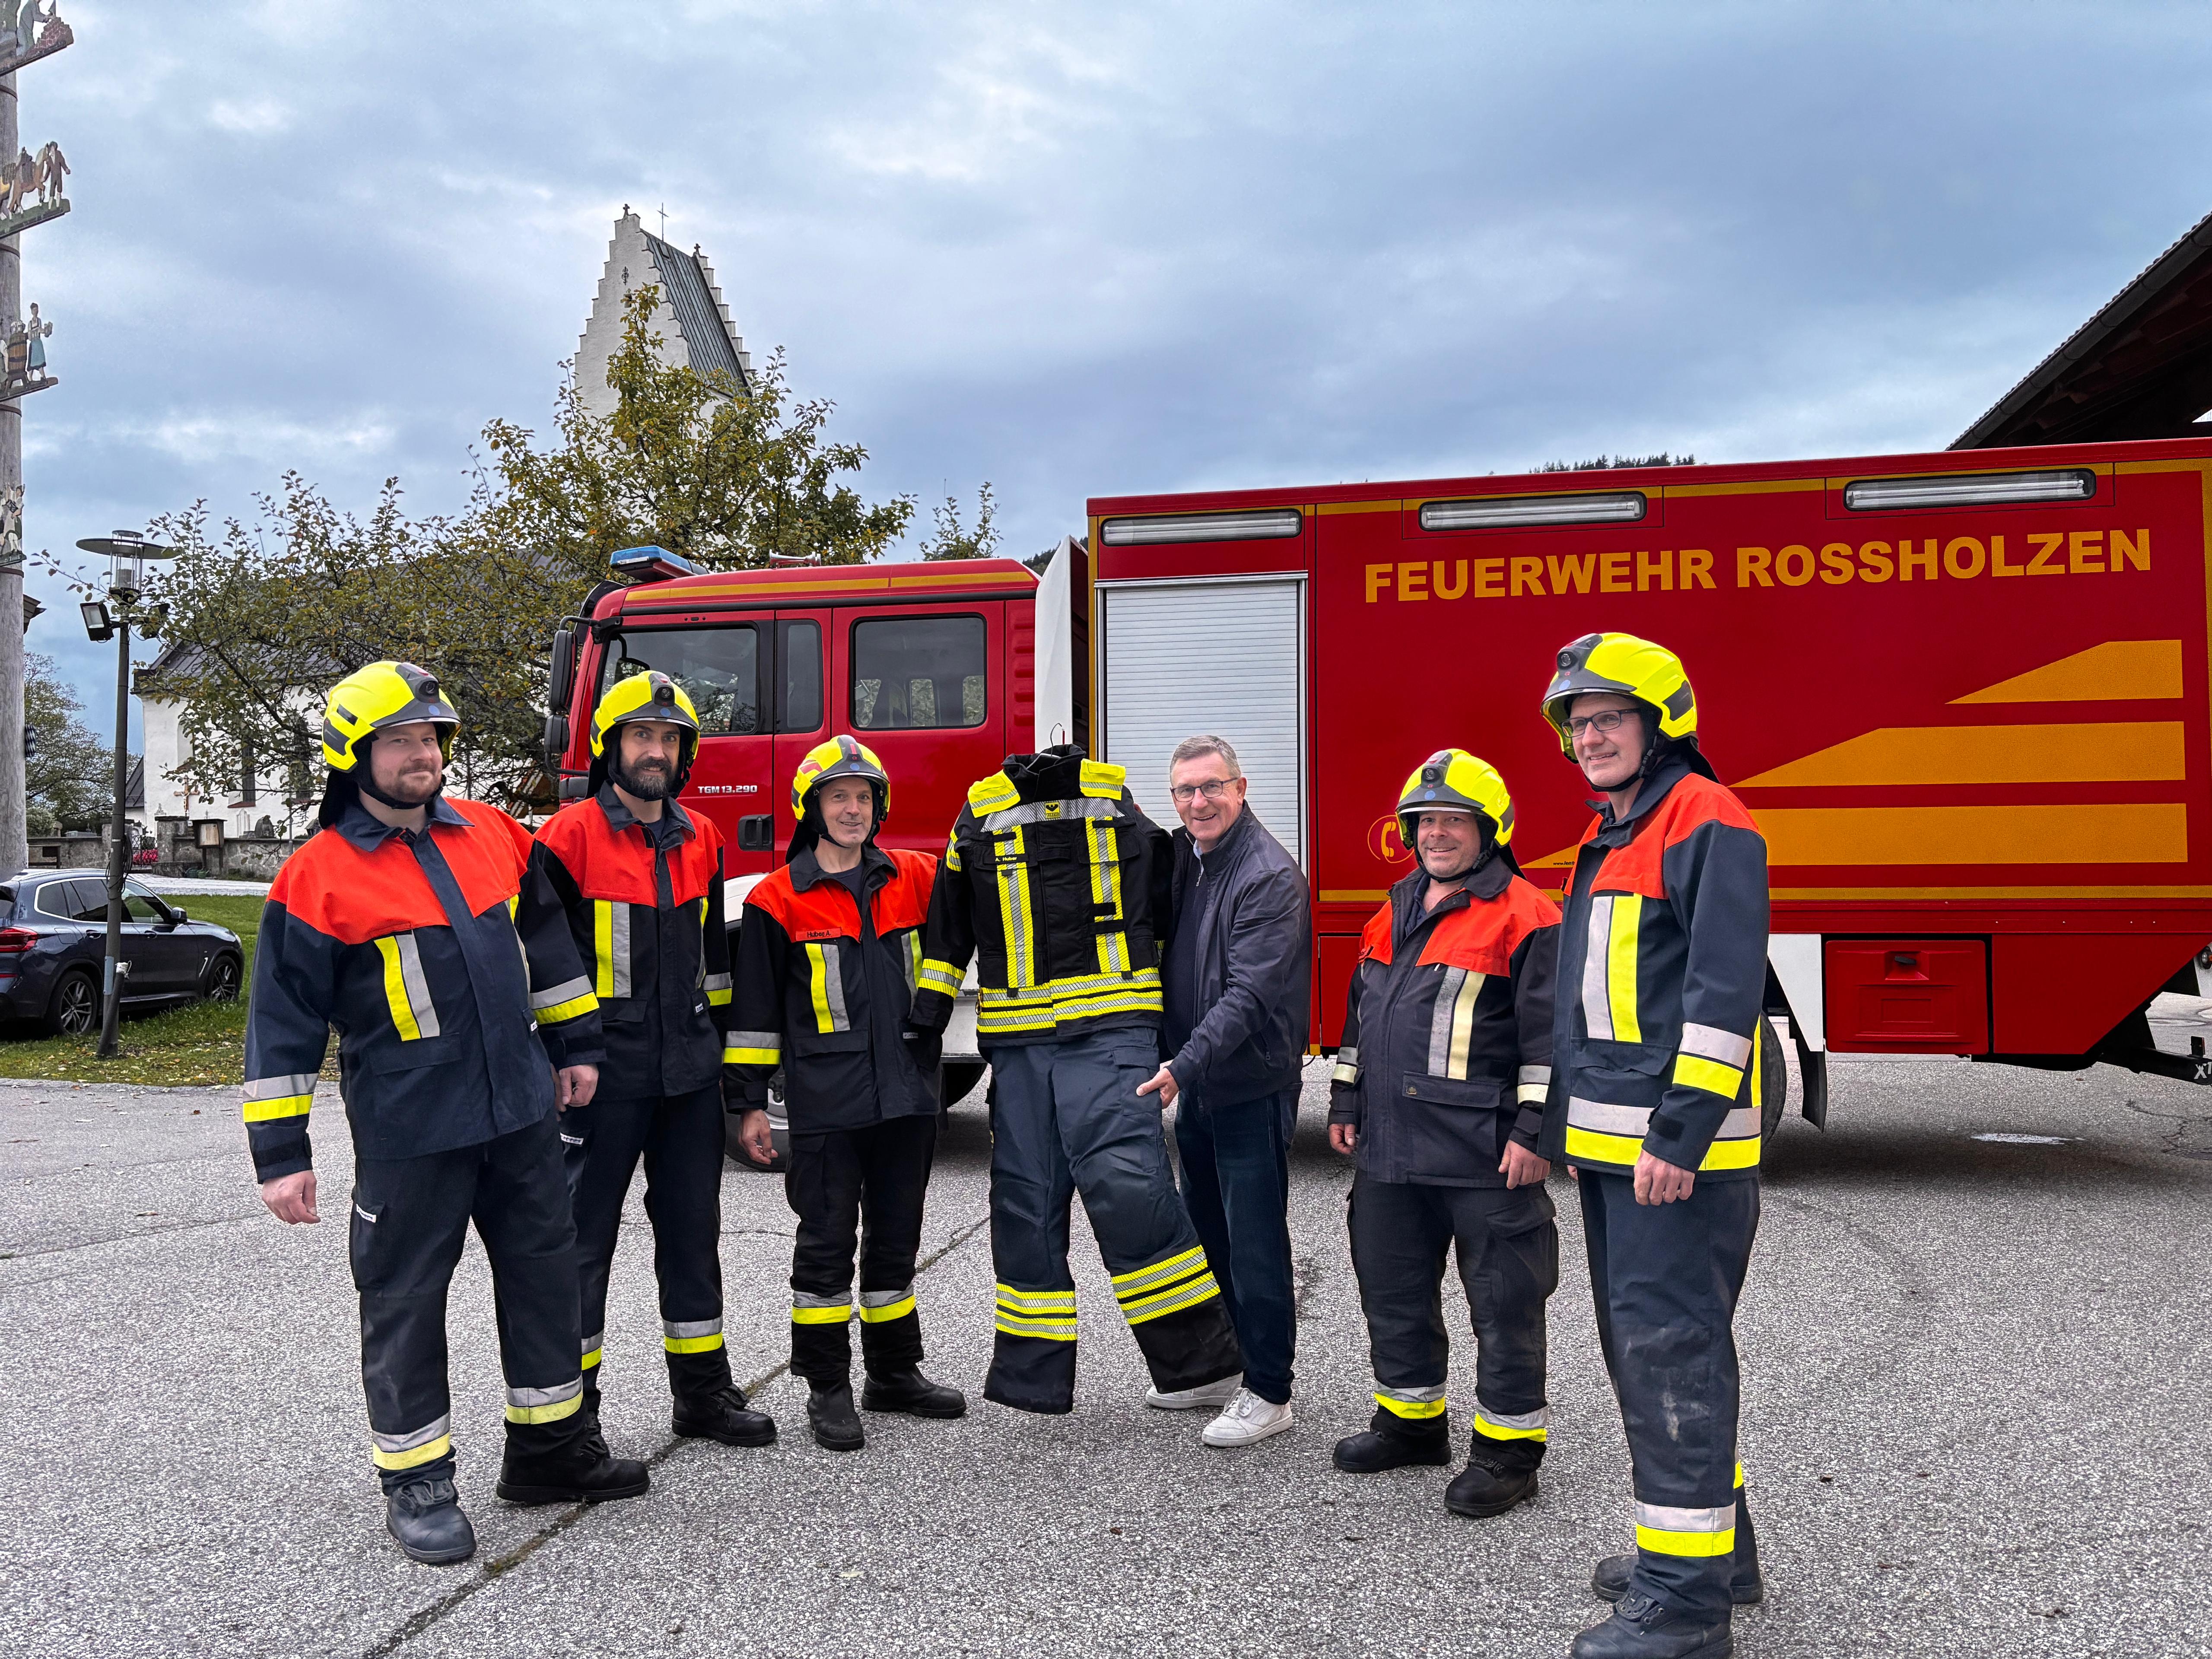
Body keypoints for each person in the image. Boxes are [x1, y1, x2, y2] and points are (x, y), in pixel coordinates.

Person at [242, 661, 645, 1568]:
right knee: (405, 1300)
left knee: (546, 1279)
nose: (421, 755)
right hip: (411, 1129)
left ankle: (548, 1452)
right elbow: (282, 1023)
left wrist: (576, 1047)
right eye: (399, 741)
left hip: (520, 1113)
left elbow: (548, 945)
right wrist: (281, 1153)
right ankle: (418, 1483)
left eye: (430, 738)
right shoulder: (316, 878)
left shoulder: (494, 833)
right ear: (353, 755)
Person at [1539, 633, 1769, 1658]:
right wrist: (1563, 1126)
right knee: (1662, 1353)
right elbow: (1593, 1007)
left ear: (1660, 722)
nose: (1589, 737)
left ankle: (1683, 1606)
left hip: (1672, 1163)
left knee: (1670, 1356)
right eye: (1577, 723)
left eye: (1608, 718)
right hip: (1618, 1156)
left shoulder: (1703, 818)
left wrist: (1678, 1136)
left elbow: (1723, 997)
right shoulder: (1621, 826)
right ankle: (1720, 1556)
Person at [909, 742, 1242, 1416]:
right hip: (1035, 1045)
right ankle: (1035, 1379)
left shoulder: (1100, 801)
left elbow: (1163, 905)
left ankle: (1202, 1366)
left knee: (1130, 1192)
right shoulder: (1007, 808)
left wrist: (929, 1021)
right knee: (1026, 1203)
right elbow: (950, 927)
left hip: (1108, 1035)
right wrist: (926, 1021)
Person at [534, 671, 775, 1454]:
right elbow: (541, 966)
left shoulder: (701, 836)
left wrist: (732, 1080)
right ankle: (573, 1416)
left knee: (694, 1235)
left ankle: (702, 1395)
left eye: (670, 739)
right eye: (642, 736)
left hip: (688, 1078)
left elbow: (716, 971)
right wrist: (564, 1059)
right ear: (611, 746)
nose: (656, 752)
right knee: (581, 1246)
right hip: (598, 1079)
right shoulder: (565, 838)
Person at [1326, 750, 1561, 1519]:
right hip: (1391, 1148)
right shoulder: (1393, 907)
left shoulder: (1528, 915)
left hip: (1484, 1153)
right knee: (1393, 1290)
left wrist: (1536, 1133)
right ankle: (1411, 1423)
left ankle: (1508, 1454)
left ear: (1490, 830)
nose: (1435, 833)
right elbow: (1362, 1018)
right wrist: (1345, 1102)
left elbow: (1552, 1041)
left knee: (1505, 1303)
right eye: (1424, 821)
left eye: (1454, 820)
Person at [728, 735, 966, 1450]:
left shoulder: (918, 876)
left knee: (896, 1240)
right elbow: (755, 1013)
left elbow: (961, 929)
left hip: (908, 1095)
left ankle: (893, 1374)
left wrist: (935, 1006)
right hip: (826, 1104)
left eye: (864, 797)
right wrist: (747, 1103)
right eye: (839, 798)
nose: (854, 810)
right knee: (827, 1247)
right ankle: (827, 1385)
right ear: (813, 808)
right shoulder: (775, 899)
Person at [1136, 734, 1309, 1447]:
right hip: (1201, 1083)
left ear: (1241, 789)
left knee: (1254, 1244)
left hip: (1247, 1086)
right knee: (1206, 1233)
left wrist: (1182, 1065)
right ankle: (1222, 1367)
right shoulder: (1191, 857)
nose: (1199, 802)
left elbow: (1247, 997)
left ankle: (1269, 1391)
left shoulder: (1267, 876)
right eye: (1186, 790)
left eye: (1212, 787)